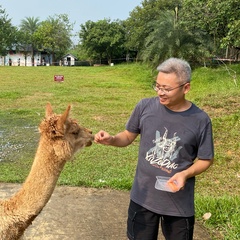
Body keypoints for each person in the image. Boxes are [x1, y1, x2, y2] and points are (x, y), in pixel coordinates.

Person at [94, 58, 214, 240]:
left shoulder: (200, 120)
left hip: (178, 204)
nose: (160, 92)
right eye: (157, 86)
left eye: (166, 89)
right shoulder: (145, 107)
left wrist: (185, 174)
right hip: (143, 197)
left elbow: (206, 159)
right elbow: (127, 136)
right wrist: (111, 139)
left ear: (186, 88)